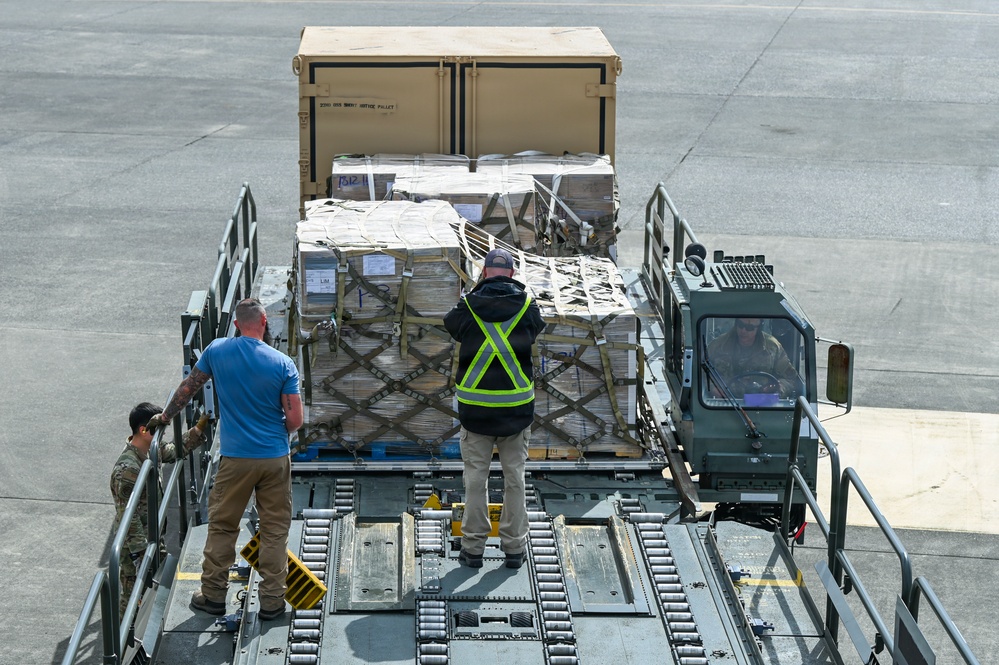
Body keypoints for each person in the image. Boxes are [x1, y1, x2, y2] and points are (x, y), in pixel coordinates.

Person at [147, 298, 303, 621]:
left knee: (222, 525)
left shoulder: (217, 351)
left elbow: (188, 389)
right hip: (274, 457)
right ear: (263, 323)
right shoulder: (283, 364)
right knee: (274, 530)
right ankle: (273, 602)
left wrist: (165, 416)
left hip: (235, 458)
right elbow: (296, 419)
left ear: (235, 325)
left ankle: (214, 595)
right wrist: (278, 433)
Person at [443, 248, 545, 570]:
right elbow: (535, 329)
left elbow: (452, 325)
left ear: (485, 272)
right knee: (515, 478)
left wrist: (470, 294)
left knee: (476, 480)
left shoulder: (468, 306)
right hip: (516, 411)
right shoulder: (527, 307)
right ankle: (514, 548)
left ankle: (473, 549)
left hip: (477, 413)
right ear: (512, 273)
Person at [110, 402, 208, 617]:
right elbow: (127, 514)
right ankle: (124, 640)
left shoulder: (149, 451)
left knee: (156, 583)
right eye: (158, 431)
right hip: (136, 545)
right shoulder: (127, 469)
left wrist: (198, 429)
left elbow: (173, 451)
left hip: (152, 536)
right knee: (132, 593)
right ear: (143, 430)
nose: (161, 437)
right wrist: (141, 552)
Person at [705, 317, 801, 399]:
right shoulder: (717, 346)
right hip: (723, 405)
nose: (743, 331)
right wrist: (713, 388)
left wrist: (778, 388)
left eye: (749, 328)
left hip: (761, 404)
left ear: (759, 328)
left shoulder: (772, 347)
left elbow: (791, 379)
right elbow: (700, 374)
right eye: (740, 325)